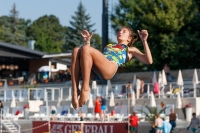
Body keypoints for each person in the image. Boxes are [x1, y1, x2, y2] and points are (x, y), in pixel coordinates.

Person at [71, 27, 153, 110]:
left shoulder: (130, 50)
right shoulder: (109, 46)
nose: (120, 32)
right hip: (96, 71)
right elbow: (88, 58)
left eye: (124, 32)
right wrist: (88, 42)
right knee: (76, 50)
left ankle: (85, 88)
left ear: (129, 38)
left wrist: (144, 41)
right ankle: (75, 90)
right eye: (119, 31)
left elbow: (148, 61)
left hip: (110, 68)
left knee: (85, 48)